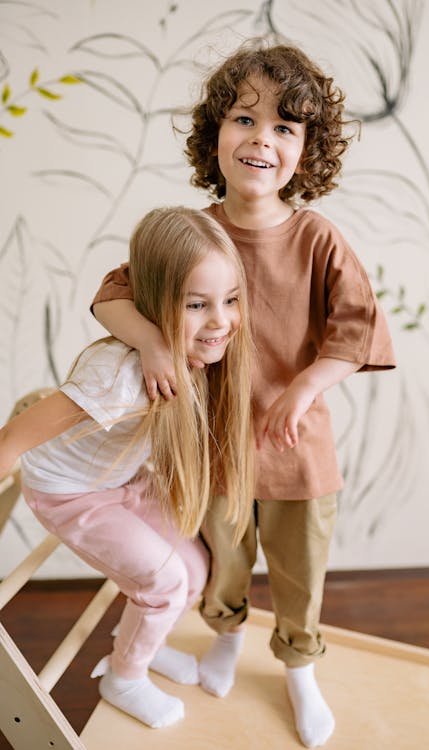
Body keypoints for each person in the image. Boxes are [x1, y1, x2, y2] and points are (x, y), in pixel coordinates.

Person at [90, 41, 396, 748]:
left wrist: (306, 385)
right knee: (223, 561)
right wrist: (155, 341)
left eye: (286, 128)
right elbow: (111, 296)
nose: (263, 140)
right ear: (215, 134)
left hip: (299, 454)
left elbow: (357, 329)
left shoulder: (319, 240)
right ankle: (223, 640)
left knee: (299, 571)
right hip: (213, 449)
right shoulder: (191, 234)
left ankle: (298, 669)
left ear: (306, 151)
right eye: (245, 120)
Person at [0, 206, 254, 730]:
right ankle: (124, 677)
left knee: (195, 571)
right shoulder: (116, 373)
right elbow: (13, 440)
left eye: (230, 301)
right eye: (197, 305)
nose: (221, 320)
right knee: (162, 583)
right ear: (156, 303)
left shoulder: (191, 354)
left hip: (122, 480)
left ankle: (137, 641)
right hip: (71, 492)